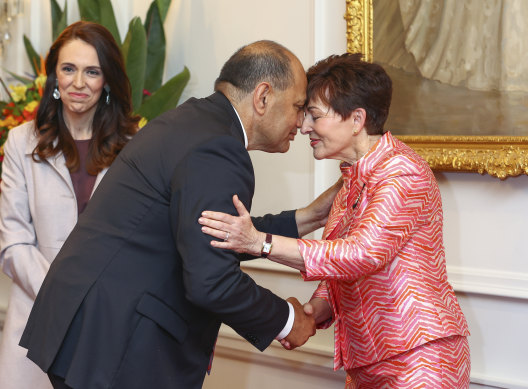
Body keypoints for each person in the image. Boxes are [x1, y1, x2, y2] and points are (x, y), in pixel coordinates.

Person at [19, 40, 337, 389]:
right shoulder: (219, 148)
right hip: (117, 340)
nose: (302, 122)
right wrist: (289, 320)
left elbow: (207, 233)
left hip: (90, 326)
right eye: (297, 106)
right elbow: (211, 281)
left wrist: (308, 218)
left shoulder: (193, 122)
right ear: (262, 97)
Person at [199, 53, 471, 388]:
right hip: (366, 363)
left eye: (314, 115)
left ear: (356, 119)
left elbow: (360, 254)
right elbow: (337, 267)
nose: (303, 126)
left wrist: (261, 242)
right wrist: (313, 312)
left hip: (420, 357)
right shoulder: (350, 179)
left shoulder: (402, 172)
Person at [0, 21, 139, 389]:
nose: (78, 82)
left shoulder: (135, 145)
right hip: (36, 316)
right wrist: (66, 296)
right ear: (53, 75)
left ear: (107, 80)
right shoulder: (20, 142)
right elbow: (14, 242)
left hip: (109, 325)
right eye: (68, 69)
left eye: (92, 71)